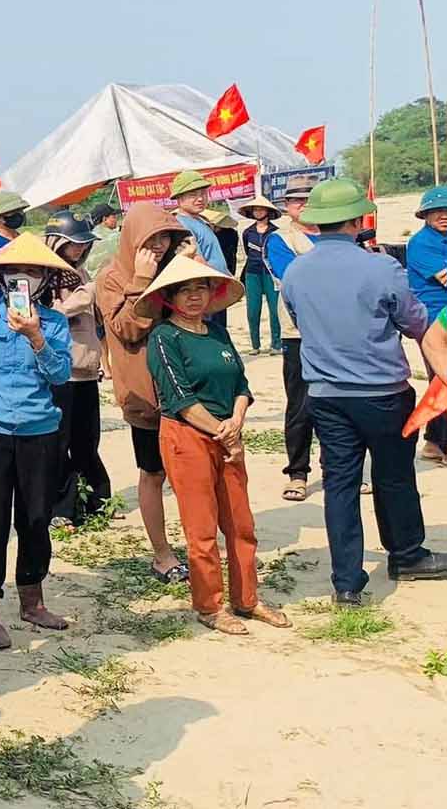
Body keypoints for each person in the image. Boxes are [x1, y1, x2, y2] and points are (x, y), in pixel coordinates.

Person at [283, 178, 447, 606]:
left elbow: (299, 320)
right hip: (381, 391)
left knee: (340, 484)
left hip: (324, 393)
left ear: (316, 223)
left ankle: (346, 582)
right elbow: (415, 323)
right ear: (358, 220)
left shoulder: (296, 271)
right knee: (394, 477)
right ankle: (406, 554)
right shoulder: (380, 267)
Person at [142, 256, 293, 635]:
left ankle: (247, 599)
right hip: (187, 436)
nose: (194, 297)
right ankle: (209, 605)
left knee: (241, 522)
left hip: (228, 433)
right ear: (169, 297)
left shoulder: (218, 333)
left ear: (213, 293)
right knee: (202, 527)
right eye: (185, 290)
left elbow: (241, 385)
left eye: (201, 289)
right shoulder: (165, 338)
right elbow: (178, 397)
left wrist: (236, 423)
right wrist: (220, 431)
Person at [0, 234, 75, 648]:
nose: (22, 278)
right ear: (2, 277)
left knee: (34, 519)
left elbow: (60, 375)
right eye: (14, 272)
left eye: (32, 272)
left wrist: (35, 336)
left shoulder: (55, 323)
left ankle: (32, 598)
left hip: (39, 431)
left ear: (45, 279)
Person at [95, 202, 192, 585]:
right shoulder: (111, 278)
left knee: (194, 470)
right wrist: (141, 279)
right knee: (153, 473)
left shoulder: (176, 267)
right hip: (146, 394)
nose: (158, 245)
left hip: (187, 389)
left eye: (165, 236)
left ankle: (200, 541)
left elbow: (207, 306)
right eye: (151, 238)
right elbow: (126, 330)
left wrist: (190, 265)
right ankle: (162, 553)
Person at [43, 211, 112, 527]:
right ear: (57, 242)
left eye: (83, 245)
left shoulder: (82, 274)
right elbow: (49, 313)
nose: (79, 250)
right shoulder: (45, 274)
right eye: (74, 244)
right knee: (59, 442)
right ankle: (61, 508)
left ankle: (97, 501)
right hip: (62, 371)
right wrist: (88, 294)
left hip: (86, 369)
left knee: (87, 440)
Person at [267, 176, 320, 501]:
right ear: (287, 207)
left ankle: (339, 468)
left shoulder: (338, 233)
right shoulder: (280, 239)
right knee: (300, 405)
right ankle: (297, 472)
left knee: (338, 403)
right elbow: (294, 278)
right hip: (298, 332)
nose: (304, 206)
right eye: (298, 201)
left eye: (310, 200)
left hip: (336, 331)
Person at [405, 185, 447, 465]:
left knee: (438, 382)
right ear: (426, 215)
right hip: (433, 320)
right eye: (437, 212)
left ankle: (433, 442)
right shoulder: (421, 243)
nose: (444, 216)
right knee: (443, 378)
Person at [236, 193, 284, 356]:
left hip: (271, 273)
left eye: (260, 209)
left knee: (275, 309)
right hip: (252, 273)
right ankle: (255, 345)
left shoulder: (276, 232)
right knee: (253, 309)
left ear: (268, 211)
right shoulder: (247, 232)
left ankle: (276, 344)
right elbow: (248, 252)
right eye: (255, 210)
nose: (258, 212)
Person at [170, 171, 227, 274]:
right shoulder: (182, 225)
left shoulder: (199, 220)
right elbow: (197, 263)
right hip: (211, 282)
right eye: (193, 195)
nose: (200, 199)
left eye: (203, 193)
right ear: (179, 198)